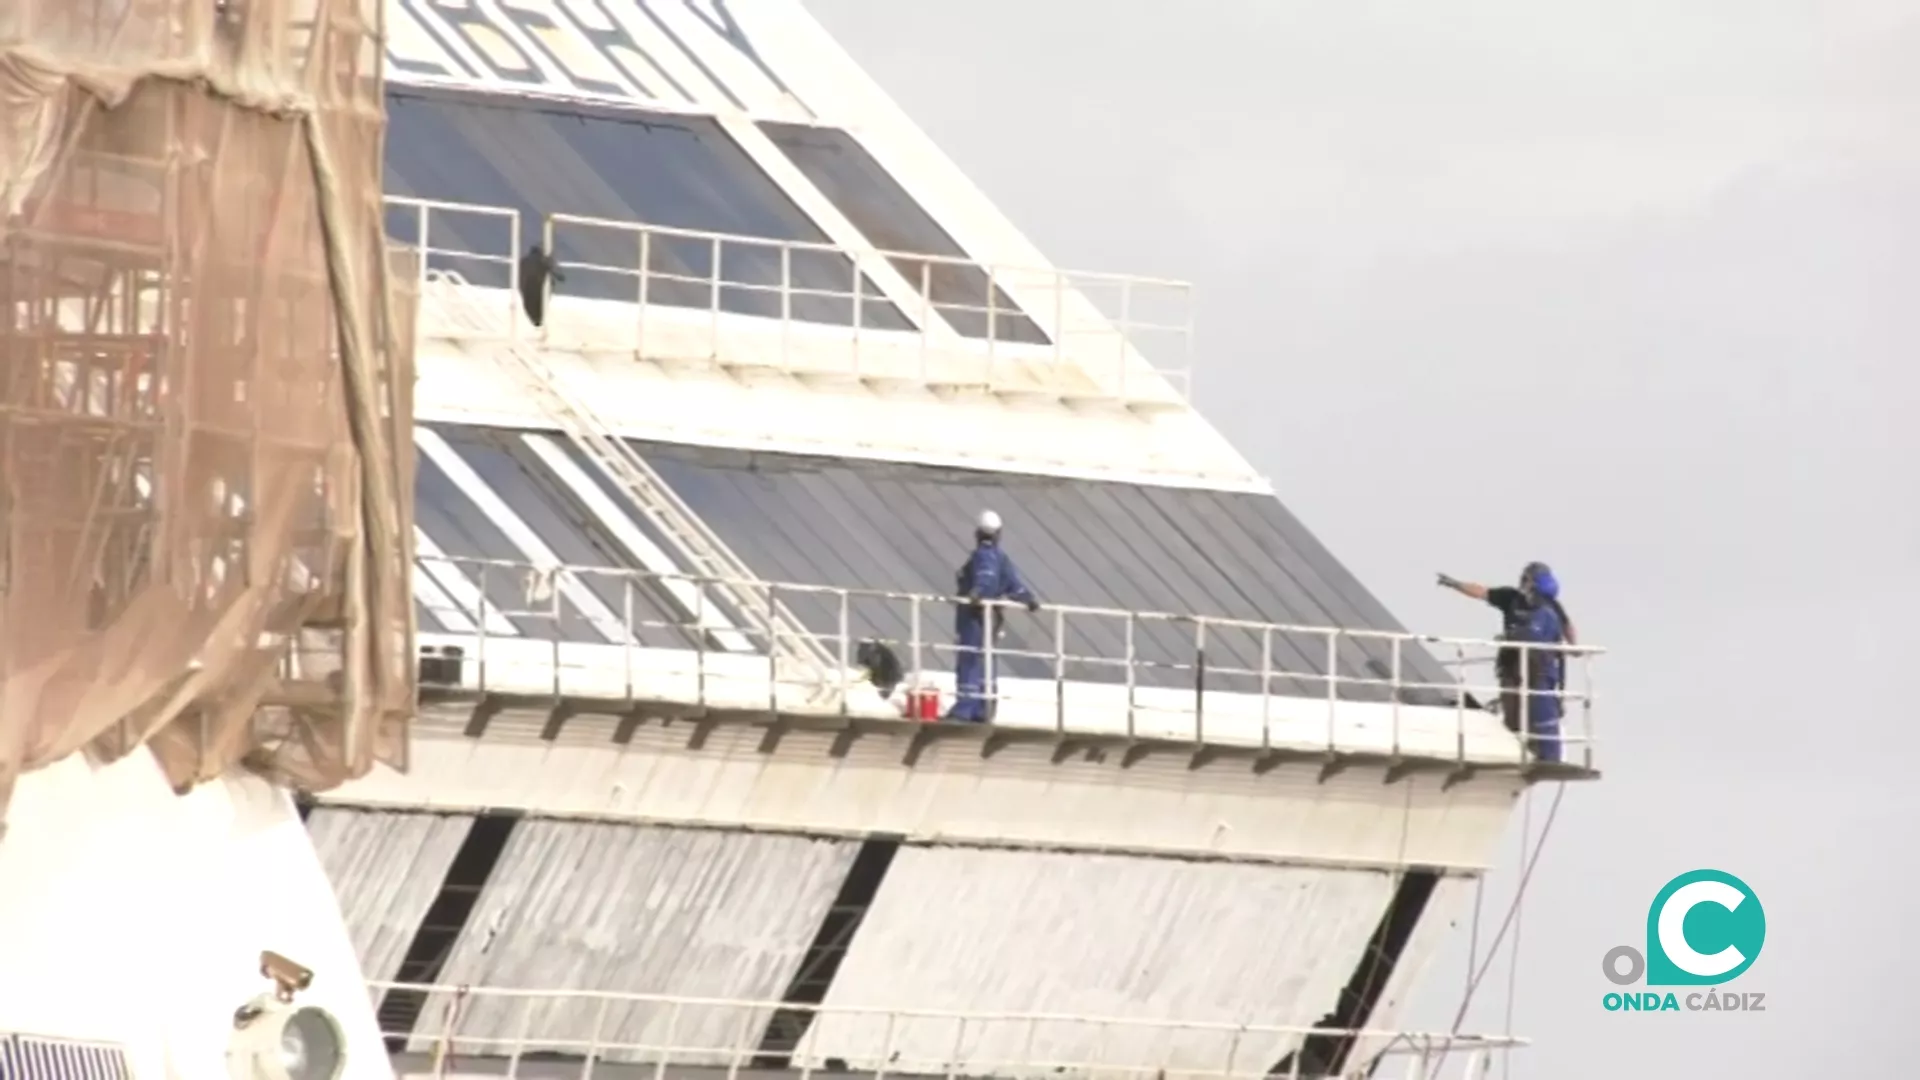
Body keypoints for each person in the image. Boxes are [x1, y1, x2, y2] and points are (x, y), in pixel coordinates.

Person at [1436, 562, 1573, 763]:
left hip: (1537, 665)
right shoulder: (1511, 598)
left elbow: (1567, 626)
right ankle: (1519, 746)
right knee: (1515, 705)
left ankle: (1538, 749)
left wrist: (1573, 646)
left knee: (1536, 705)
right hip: (1514, 663)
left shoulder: (1549, 607)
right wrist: (1456, 585)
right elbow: (1482, 592)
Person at [946, 510, 1039, 723]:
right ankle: (985, 706)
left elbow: (984, 580)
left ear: (977, 533)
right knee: (987, 658)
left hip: (974, 616)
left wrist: (976, 594)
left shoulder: (981, 556)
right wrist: (1028, 599)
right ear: (999, 533)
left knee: (969, 657)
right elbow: (1014, 585)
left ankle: (966, 708)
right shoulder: (1002, 558)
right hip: (993, 617)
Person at [517, 244, 564, 328]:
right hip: (536, 289)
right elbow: (559, 276)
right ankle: (538, 321)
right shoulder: (542, 260)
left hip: (527, 289)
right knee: (537, 308)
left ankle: (537, 321)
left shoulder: (523, 261)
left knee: (533, 308)